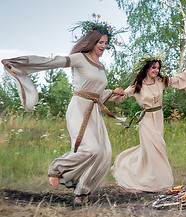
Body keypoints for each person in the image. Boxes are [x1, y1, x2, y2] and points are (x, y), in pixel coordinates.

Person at [2, 18, 125, 204]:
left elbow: (98, 93)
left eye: (106, 43)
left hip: (94, 112)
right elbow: (52, 62)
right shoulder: (80, 58)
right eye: (101, 42)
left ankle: (81, 193)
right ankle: (56, 169)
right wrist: (21, 62)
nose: (104, 46)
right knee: (90, 148)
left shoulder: (101, 66)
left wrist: (113, 93)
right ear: (92, 41)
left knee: (104, 153)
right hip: (79, 108)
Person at [107, 55, 186, 192]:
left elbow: (178, 80)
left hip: (158, 118)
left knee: (158, 148)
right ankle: (162, 183)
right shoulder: (137, 85)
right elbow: (122, 95)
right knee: (155, 149)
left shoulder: (161, 81)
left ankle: (154, 178)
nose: (156, 70)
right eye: (154, 67)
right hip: (147, 120)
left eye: (158, 68)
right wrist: (108, 93)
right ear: (147, 68)